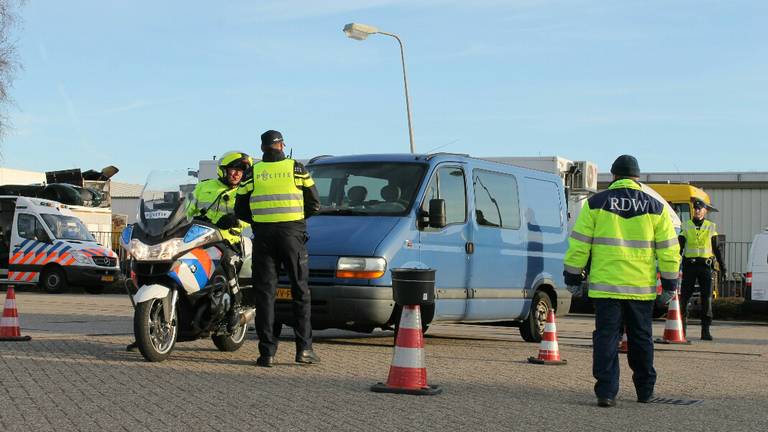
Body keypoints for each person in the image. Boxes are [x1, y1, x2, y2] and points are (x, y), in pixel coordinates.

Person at [563, 155, 681, 408]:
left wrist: (572, 276)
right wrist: (670, 285)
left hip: (606, 287)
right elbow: (669, 251)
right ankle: (645, 391)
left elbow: (579, 245)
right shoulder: (656, 207)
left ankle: (606, 393)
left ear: (613, 176)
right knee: (641, 340)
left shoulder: (595, 204)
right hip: (641, 290)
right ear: (637, 178)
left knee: (606, 339)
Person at [235, 130, 321, 367]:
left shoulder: (254, 171)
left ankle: (267, 354)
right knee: (300, 291)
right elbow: (315, 203)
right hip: (292, 235)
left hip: (263, 236)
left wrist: (259, 222)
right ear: (282, 145)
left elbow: (240, 208)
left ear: (262, 149)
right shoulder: (297, 168)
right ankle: (304, 350)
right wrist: (296, 222)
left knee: (265, 294)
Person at [187, 151, 253, 331]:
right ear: (223, 169)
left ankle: (235, 306)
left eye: (241, 170)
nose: (237, 173)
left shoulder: (245, 191)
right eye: (234, 168)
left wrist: (235, 220)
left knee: (226, 259)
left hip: (227, 240)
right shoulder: (204, 187)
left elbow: (251, 215)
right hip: (197, 237)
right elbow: (186, 209)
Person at [678, 198, 725, 341]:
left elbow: (716, 248)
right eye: (696, 209)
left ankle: (705, 331)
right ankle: (682, 330)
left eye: (700, 209)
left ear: (705, 211)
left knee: (707, 299)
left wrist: (723, 267)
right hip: (690, 266)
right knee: (685, 298)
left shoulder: (711, 226)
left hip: (705, 267)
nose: (697, 211)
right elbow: (679, 248)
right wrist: (674, 264)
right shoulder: (685, 226)